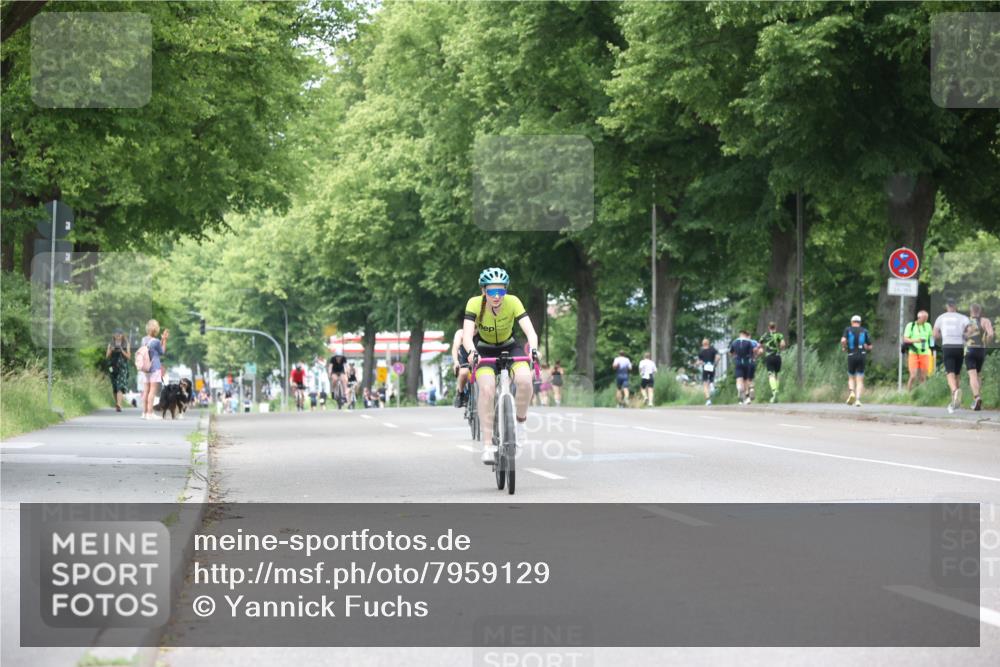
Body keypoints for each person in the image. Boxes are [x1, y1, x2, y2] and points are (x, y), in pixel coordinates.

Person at [461, 267, 540, 464]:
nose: (497, 297)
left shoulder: (513, 302)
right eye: (492, 292)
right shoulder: (474, 303)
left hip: (509, 347)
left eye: (501, 291)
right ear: (483, 291)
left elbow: (530, 332)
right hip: (483, 350)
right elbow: (466, 336)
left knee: (525, 381)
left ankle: (520, 424)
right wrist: (472, 353)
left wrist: (533, 349)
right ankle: (488, 445)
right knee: (487, 389)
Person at [933, 298, 971, 413]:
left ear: (947, 306)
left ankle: (955, 391)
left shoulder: (941, 317)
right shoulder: (963, 317)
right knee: (957, 374)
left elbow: (934, 334)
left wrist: (941, 336)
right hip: (959, 346)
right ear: (956, 306)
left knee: (950, 373)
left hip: (948, 346)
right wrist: (964, 336)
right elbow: (971, 331)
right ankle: (954, 403)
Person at [964, 303, 994, 412]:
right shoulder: (985, 321)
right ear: (980, 311)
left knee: (972, 375)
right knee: (978, 374)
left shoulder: (966, 321)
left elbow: (963, 336)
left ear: (970, 311)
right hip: (981, 350)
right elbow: (990, 334)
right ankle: (977, 399)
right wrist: (986, 342)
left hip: (970, 349)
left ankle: (977, 397)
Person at [139, 320, 169, 420]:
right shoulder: (156, 341)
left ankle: (144, 413)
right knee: (152, 391)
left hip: (145, 368)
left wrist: (160, 340)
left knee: (146, 390)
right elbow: (162, 351)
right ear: (156, 330)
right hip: (154, 368)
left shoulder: (144, 340)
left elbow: (153, 348)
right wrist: (164, 340)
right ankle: (150, 413)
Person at [840, 315, 872, 407]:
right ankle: (858, 400)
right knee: (860, 379)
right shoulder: (864, 331)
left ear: (852, 322)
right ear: (860, 322)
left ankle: (851, 393)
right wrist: (866, 347)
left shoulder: (848, 329)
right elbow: (870, 346)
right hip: (862, 356)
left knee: (851, 377)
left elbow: (843, 340)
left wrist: (844, 347)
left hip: (851, 355)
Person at [903, 310, 934, 391]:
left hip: (925, 353)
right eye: (924, 319)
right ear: (919, 317)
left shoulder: (928, 326)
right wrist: (916, 340)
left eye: (926, 319)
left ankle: (923, 395)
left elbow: (931, 338)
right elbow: (905, 339)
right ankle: (908, 394)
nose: (925, 320)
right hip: (914, 352)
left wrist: (933, 345)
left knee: (923, 377)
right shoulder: (911, 325)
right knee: (913, 375)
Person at [759, 322, 787, 403]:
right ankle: (776, 391)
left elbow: (759, 344)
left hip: (769, 357)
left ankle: (774, 391)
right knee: (777, 375)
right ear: (775, 327)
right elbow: (783, 344)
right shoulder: (779, 335)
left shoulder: (765, 335)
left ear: (769, 327)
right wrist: (781, 349)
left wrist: (761, 350)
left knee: (771, 375)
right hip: (777, 357)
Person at [729, 330, 759, 405]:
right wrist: (754, 357)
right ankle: (747, 397)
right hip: (747, 362)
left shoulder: (734, 342)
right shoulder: (749, 342)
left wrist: (735, 357)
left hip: (738, 362)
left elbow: (731, 353)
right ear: (745, 335)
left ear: (740, 334)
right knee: (746, 380)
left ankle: (739, 388)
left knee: (739, 379)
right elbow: (752, 353)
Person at [106, 329, 131, 412]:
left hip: (122, 368)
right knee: (114, 386)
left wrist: (122, 350)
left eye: (120, 334)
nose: (118, 335)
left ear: (122, 335)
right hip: (112, 367)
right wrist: (111, 350)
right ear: (114, 335)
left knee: (120, 386)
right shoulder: (111, 344)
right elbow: (107, 357)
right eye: (116, 334)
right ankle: (117, 403)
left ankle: (119, 404)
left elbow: (128, 357)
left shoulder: (126, 344)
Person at [451, 327, 473, 408]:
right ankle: (460, 393)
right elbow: (455, 348)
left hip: (479, 358)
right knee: (464, 373)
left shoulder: (483, 331)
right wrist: (456, 361)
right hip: (465, 359)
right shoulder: (461, 333)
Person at [697, 339, 720, 406]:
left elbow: (699, 361)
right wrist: (715, 363)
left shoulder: (701, 351)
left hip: (705, 367)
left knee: (705, 384)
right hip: (712, 366)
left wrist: (698, 363)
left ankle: (708, 400)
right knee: (711, 380)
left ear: (702, 344)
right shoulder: (713, 349)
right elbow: (718, 357)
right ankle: (712, 385)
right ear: (708, 343)